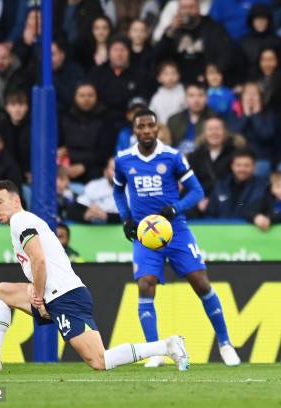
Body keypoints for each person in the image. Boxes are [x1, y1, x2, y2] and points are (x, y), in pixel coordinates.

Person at [0, 180, 189, 372]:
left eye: (0, 201)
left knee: (100, 361)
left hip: (65, 296)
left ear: (16, 200)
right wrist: (36, 291)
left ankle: (166, 346)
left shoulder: (20, 220)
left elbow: (39, 259)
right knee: (1, 292)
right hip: (54, 292)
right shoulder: (25, 221)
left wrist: (36, 294)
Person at [113, 108, 241, 367]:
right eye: (141, 127)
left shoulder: (172, 157)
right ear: (134, 130)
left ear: (157, 128)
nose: (147, 130)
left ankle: (225, 343)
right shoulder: (123, 160)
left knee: (201, 283)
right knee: (145, 284)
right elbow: (117, 190)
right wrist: (125, 217)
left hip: (175, 230)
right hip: (144, 233)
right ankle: (155, 352)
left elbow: (197, 191)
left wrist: (176, 208)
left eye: (151, 125)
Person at [154, 0, 233, 84]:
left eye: (191, 7)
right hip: (177, 83)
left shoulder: (213, 28)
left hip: (206, 81)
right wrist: (170, 31)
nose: (187, 11)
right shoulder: (173, 30)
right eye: (184, 8)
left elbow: (225, 55)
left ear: (199, 8)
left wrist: (213, 71)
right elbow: (157, 56)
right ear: (178, 10)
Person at [228, 81, 276, 177]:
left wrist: (256, 115)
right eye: (247, 94)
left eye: (254, 94)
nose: (251, 98)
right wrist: (246, 115)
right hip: (237, 159)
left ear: (260, 98)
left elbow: (266, 136)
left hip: (260, 159)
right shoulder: (234, 114)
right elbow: (233, 135)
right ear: (242, 98)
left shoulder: (268, 114)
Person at [206, 148, 267, 219]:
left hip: (251, 228)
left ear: (254, 167)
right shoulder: (220, 186)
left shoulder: (263, 186)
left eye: (247, 165)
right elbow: (210, 213)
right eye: (238, 165)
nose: (242, 169)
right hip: (222, 228)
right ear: (232, 166)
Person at [167, 81, 215, 155]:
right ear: (185, 98)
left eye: (201, 95)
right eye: (191, 96)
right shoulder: (173, 120)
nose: (196, 100)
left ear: (206, 98)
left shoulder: (214, 119)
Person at [68, 157, 121, 224]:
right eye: (113, 169)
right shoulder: (93, 186)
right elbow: (72, 210)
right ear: (105, 172)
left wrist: (107, 216)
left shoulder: (133, 188)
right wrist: (85, 215)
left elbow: (133, 217)